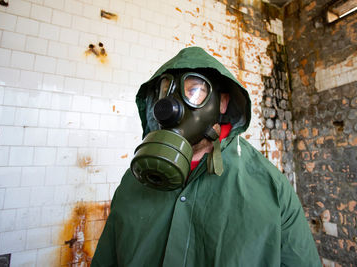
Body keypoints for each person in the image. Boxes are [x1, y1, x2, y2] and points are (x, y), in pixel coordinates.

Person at [91, 47, 322, 267]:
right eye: (166, 91)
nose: (172, 104)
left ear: (222, 103)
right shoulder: (134, 181)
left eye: (193, 91)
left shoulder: (270, 189)